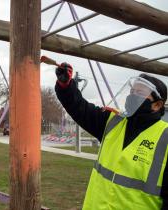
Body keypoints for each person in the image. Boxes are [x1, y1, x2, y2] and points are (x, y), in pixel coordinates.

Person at [54, 62, 168, 210]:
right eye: (131, 92)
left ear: (157, 105)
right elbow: (80, 108)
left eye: (139, 93)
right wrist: (66, 86)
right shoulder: (112, 122)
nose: (132, 96)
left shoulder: (165, 138)